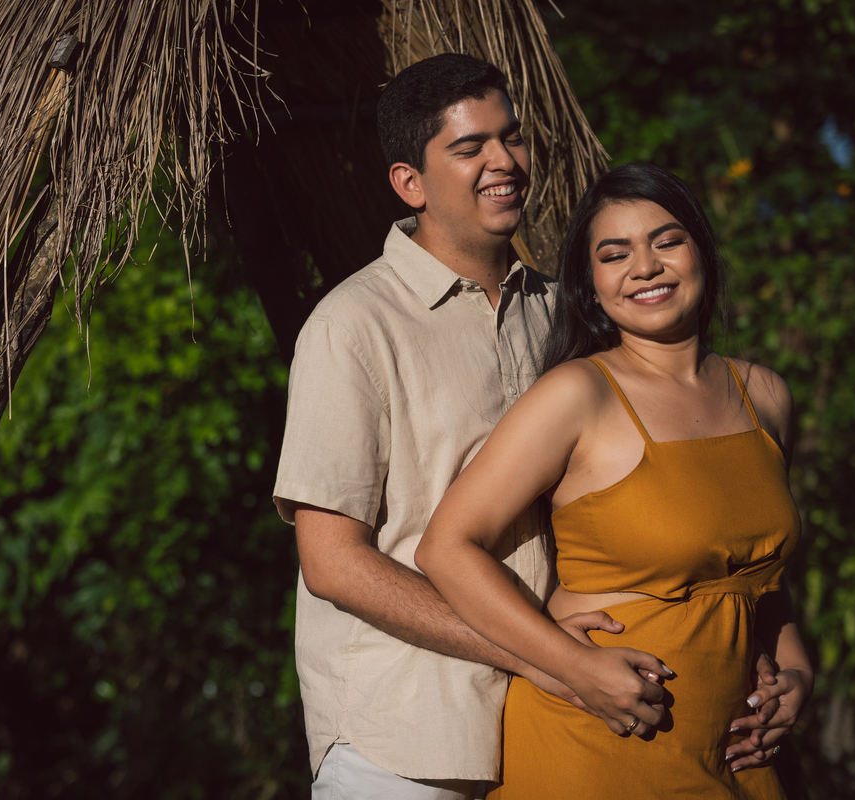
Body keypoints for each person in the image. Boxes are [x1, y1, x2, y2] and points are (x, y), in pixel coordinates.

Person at [272, 54, 674, 799]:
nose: (504, 161)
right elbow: (332, 564)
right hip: (402, 741)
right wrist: (544, 655)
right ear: (410, 183)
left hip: (549, 733)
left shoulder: (562, 312)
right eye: (469, 147)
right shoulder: (353, 324)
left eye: (510, 137)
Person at [415, 162, 813, 799]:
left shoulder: (764, 394)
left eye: (667, 241)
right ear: (591, 284)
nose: (646, 267)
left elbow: (759, 573)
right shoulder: (577, 393)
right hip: (597, 745)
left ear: (702, 252)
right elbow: (446, 548)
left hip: (736, 753)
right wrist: (571, 664)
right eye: (615, 254)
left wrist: (796, 668)